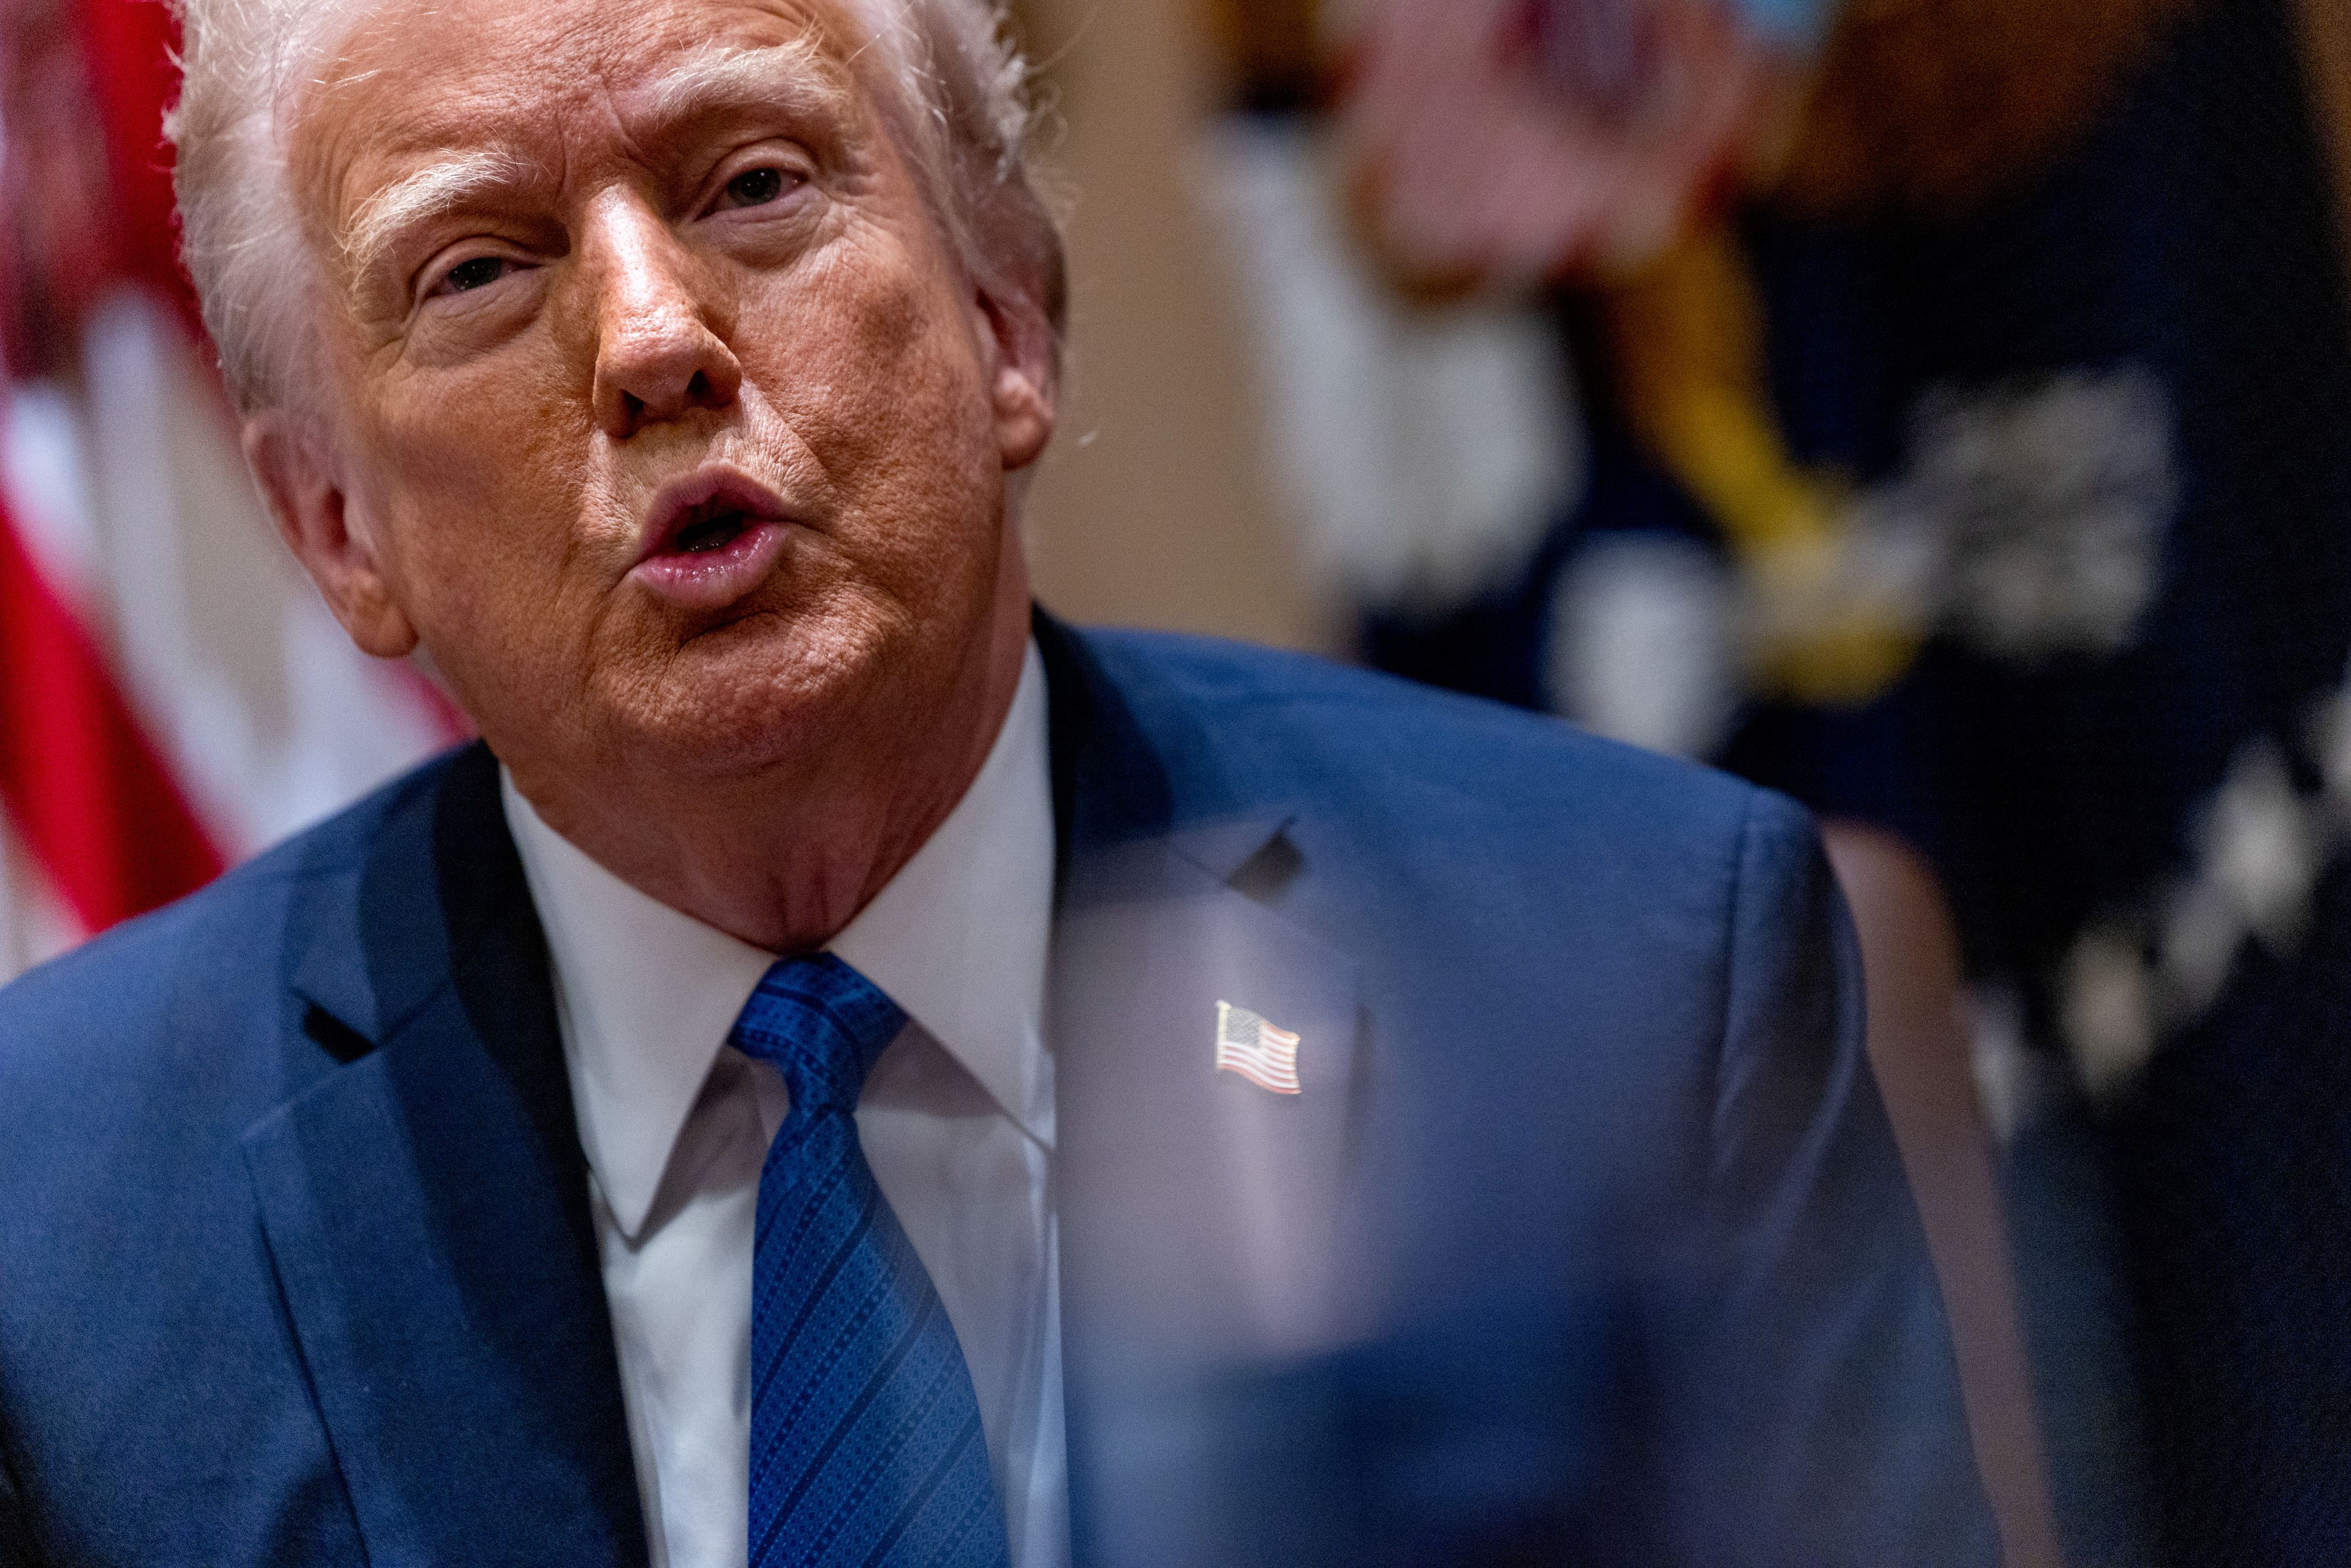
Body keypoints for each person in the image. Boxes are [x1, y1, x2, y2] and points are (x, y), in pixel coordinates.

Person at [0, 0, 1995, 1562]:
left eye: (754, 181)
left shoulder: (1631, 989)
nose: (649, 337)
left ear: (1006, 310)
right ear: (334, 522)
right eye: (477, 271)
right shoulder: (68, 1231)